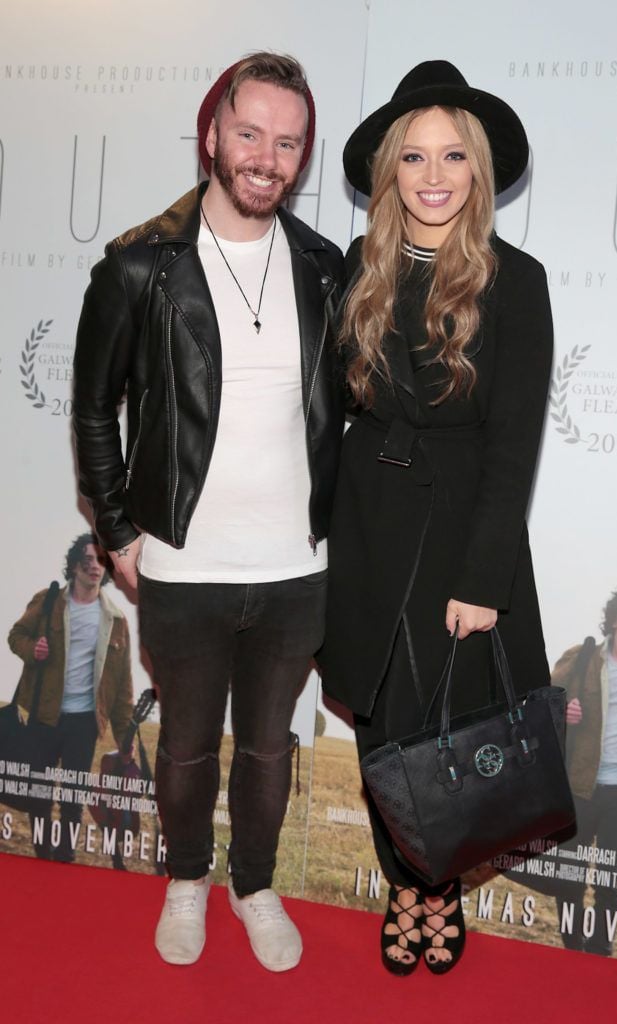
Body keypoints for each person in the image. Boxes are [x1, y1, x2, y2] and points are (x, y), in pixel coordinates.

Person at [72, 52, 345, 970]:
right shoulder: (140, 266)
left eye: (288, 141)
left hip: (295, 567)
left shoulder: (321, 266)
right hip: (182, 565)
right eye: (250, 133)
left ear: (301, 155)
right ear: (211, 135)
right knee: (187, 749)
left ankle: (254, 884)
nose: (267, 156)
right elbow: (91, 408)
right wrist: (116, 533)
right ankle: (187, 879)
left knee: (269, 751)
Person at [318, 61, 553, 975]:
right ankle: (400, 882)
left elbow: (514, 443)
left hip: (459, 534)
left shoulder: (514, 280)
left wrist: (481, 580)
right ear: (389, 171)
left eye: (453, 155)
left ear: (477, 170)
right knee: (381, 725)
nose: (432, 174)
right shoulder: (358, 270)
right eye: (412, 156)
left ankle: (434, 890)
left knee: (445, 731)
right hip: (367, 525)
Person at [7, 533, 133, 861]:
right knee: (39, 794)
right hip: (44, 715)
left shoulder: (116, 620)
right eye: (88, 559)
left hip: (84, 721)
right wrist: (32, 650)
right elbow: (15, 635)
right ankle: (44, 855)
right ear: (75, 565)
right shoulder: (48, 602)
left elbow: (122, 686)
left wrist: (125, 737)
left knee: (74, 797)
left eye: (101, 560)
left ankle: (65, 860)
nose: (95, 566)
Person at [551, 583, 617, 955]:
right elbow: (540, 705)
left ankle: (600, 951)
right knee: (569, 876)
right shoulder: (583, 658)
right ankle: (573, 947)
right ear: (614, 620)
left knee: (611, 881)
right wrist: (560, 711)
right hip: (578, 788)